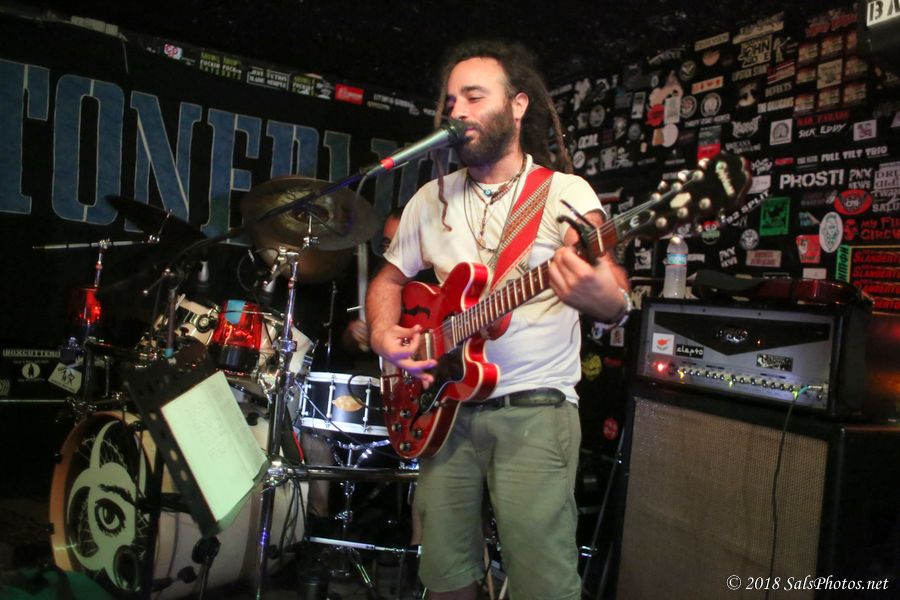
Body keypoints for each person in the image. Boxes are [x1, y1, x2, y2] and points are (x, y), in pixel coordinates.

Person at [366, 40, 630, 599]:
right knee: (445, 576)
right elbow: (388, 282)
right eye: (451, 101)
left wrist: (600, 295)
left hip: (534, 410)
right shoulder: (429, 199)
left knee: (542, 584)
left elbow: (612, 291)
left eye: (474, 96)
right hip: (445, 410)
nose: (457, 111)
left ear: (517, 105)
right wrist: (385, 334)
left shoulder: (563, 193)